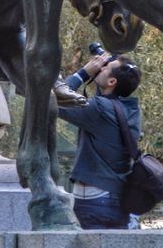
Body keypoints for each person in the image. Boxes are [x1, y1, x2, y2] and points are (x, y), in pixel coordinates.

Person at [57, 51, 142, 229]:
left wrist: (84, 73)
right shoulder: (131, 110)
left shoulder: (100, 109)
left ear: (112, 82)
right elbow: (105, 97)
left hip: (95, 202)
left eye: (106, 67)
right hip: (116, 198)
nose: (100, 67)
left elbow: (54, 98)